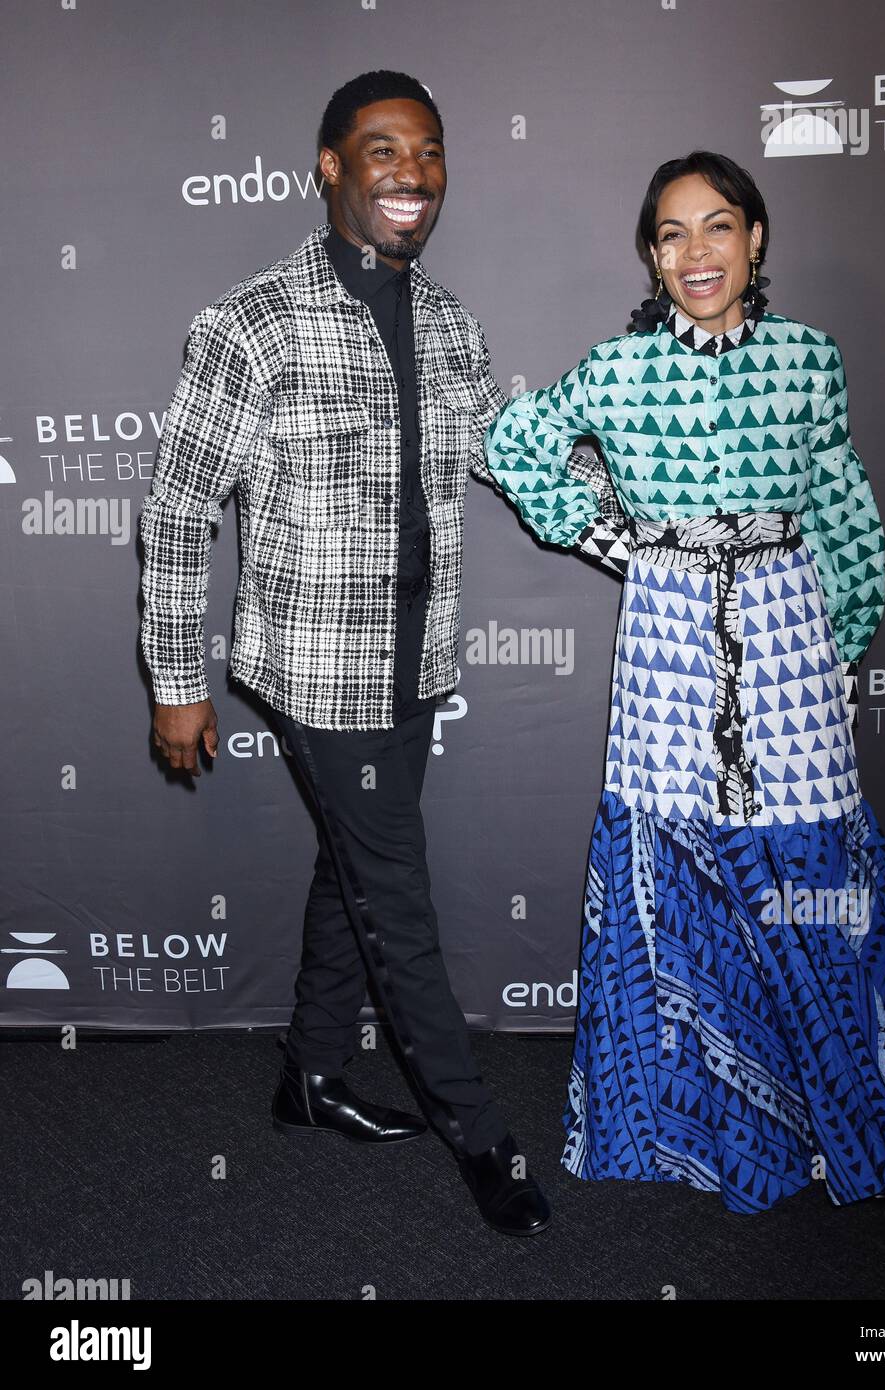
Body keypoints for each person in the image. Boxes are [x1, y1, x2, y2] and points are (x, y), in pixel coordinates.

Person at [482, 151, 885, 1213]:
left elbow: (842, 508)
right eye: (672, 234)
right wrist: (625, 545)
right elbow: (515, 444)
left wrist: (839, 642)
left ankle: (860, 1115)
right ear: (651, 253)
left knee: (817, 869)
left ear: (755, 239)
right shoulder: (618, 368)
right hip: (666, 645)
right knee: (673, 869)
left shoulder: (808, 360)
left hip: (787, 645)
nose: (695, 253)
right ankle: (702, 1122)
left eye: (717, 226)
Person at [138, 70, 618, 1237]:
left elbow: (515, 463)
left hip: (415, 663)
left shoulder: (450, 322)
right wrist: (174, 681)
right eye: (383, 149)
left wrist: (656, 519)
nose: (411, 173)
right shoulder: (250, 321)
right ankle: (478, 1134)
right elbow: (175, 507)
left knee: (350, 868)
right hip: (316, 669)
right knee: (396, 896)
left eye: (430, 152)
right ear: (332, 166)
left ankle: (309, 1073)